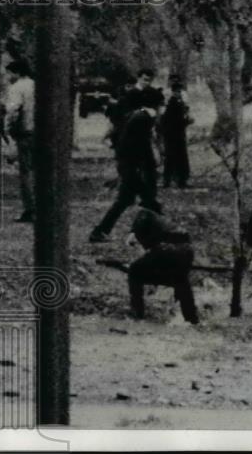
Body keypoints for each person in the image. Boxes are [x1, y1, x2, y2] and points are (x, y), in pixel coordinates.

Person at [90, 87, 164, 242]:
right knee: (150, 201)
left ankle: (102, 231)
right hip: (133, 166)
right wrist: (147, 167)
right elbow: (142, 147)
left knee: (126, 200)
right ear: (156, 104)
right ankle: (143, 235)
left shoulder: (138, 116)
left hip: (130, 165)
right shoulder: (143, 118)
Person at [126, 209, 199, 324]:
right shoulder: (162, 218)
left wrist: (132, 233)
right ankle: (191, 319)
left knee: (134, 271)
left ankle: (137, 316)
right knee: (180, 280)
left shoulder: (144, 214)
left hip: (167, 249)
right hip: (186, 251)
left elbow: (143, 220)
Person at [3, 60, 36, 223]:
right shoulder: (36, 85)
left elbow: (13, 110)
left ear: (16, 72)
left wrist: (8, 129)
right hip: (41, 133)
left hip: (25, 132)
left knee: (26, 171)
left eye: (8, 73)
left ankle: (30, 209)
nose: (7, 76)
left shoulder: (16, 88)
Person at [160, 76, 193, 188]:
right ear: (174, 92)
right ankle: (173, 180)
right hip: (173, 134)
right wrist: (187, 121)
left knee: (178, 157)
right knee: (174, 157)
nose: (179, 93)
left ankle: (177, 180)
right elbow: (174, 120)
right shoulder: (173, 103)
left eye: (180, 91)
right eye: (177, 91)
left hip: (176, 133)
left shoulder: (178, 102)